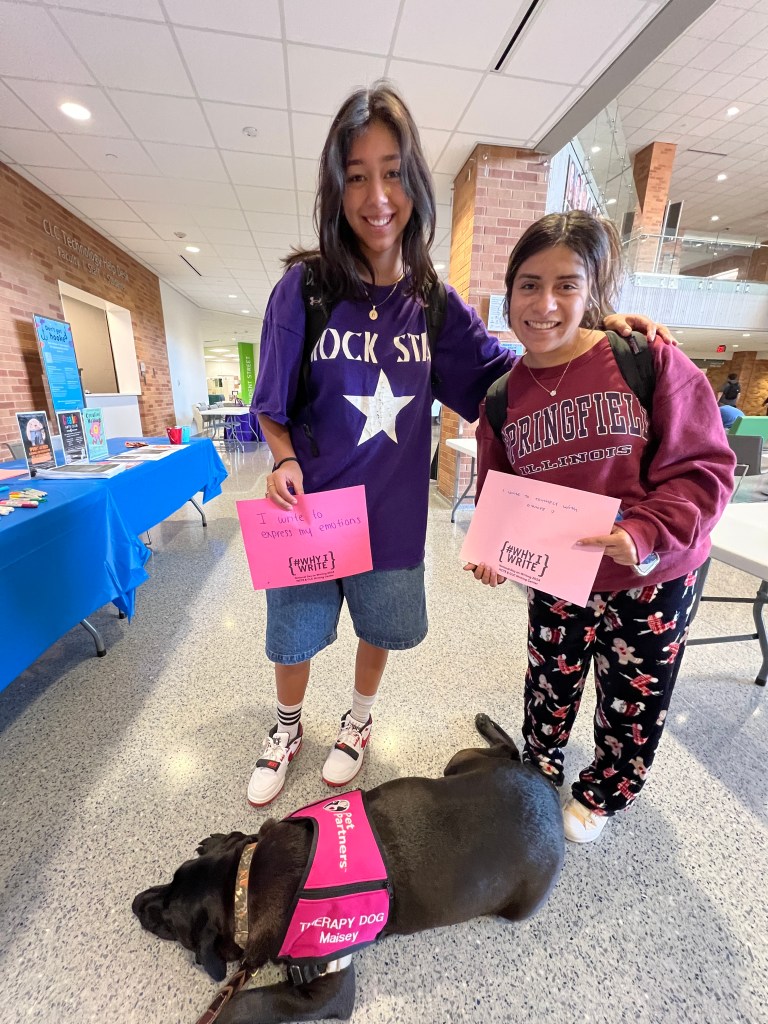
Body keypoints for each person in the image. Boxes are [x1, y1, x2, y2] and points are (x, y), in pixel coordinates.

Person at [248, 82, 671, 808]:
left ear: (414, 181)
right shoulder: (304, 288)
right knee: (292, 636)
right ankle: (287, 727)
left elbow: (511, 382)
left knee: (379, 629)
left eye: (392, 172)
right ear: (335, 188)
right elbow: (271, 406)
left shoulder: (432, 303)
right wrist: (283, 457)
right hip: (310, 512)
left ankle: (358, 721)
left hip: (390, 514)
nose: (377, 196)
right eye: (356, 176)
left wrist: (591, 335)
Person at [466, 210, 735, 844]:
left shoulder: (646, 359)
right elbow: (498, 495)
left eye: (566, 285)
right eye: (529, 285)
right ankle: (540, 767)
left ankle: (604, 791)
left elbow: (706, 468)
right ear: (509, 293)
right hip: (560, 575)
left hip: (653, 576)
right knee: (549, 680)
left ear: (591, 291)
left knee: (633, 697)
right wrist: (492, 550)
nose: (544, 304)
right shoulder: (502, 397)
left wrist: (643, 532)